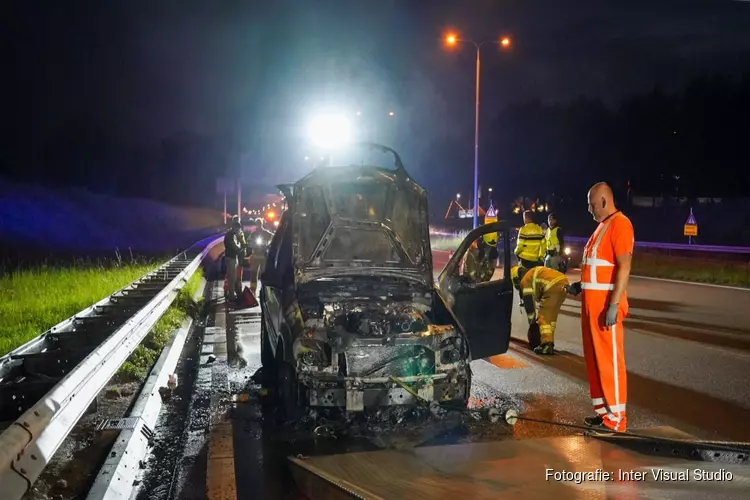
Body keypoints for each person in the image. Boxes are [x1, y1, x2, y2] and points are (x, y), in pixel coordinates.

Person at [567, 182, 634, 432]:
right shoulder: (601, 227)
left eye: (592, 204)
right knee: (595, 361)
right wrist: (580, 286)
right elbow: (599, 267)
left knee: (610, 362)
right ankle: (604, 413)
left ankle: (617, 419)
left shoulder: (620, 224)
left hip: (605, 307)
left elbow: (624, 267)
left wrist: (614, 305)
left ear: (605, 201)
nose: (589, 209)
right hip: (592, 306)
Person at [511, 265, 569, 355]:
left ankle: (546, 345)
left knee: (543, 317)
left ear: (516, 279)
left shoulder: (525, 280)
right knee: (551, 318)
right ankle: (548, 341)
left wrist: (532, 323)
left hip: (552, 285)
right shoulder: (531, 273)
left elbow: (529, 304)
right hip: (563, 282)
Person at [224, 218, 245, 302]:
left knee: (233, 277)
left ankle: (232, 293)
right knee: (231, 277)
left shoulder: (233, 234)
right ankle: (231, 295)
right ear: (234, 227)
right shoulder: (230, 235)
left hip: (233, 257)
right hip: (231, 258)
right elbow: (235, 247)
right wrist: (241, 247)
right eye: (237, 228)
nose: (238, 230)